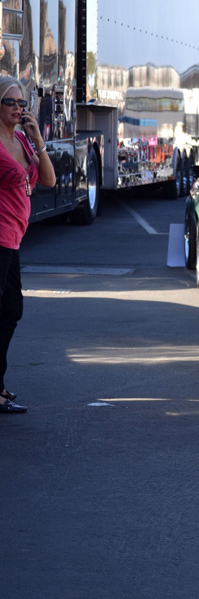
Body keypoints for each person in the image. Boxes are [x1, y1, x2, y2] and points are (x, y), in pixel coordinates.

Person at [0, 76, 56, 413]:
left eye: (22, 103)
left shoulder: (22, 139)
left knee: (11, 310)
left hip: (13, 238)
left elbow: (49, 179)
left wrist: (38, 140)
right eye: (10, 102)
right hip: (0, 236)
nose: (18, 108)